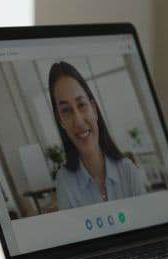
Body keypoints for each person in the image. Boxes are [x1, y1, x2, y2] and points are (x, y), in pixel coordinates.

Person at [49, 61, 148, 210]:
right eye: (66, 111)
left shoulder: (128, 172)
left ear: (94, 109)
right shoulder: (65, 182)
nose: (78, 120)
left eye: (81, 105)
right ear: (60, 121)